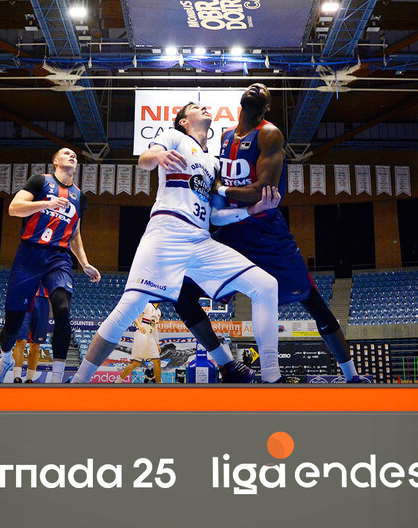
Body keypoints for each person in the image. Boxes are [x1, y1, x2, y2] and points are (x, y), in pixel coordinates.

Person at [71, 102, 279, 384]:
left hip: (200, 240)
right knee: (130, 306)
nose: (203, 107)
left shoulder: (214, 162)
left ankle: (271, 378)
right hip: (166, 232)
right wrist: (158, 155)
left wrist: (251, 210)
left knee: (266, 285)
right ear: (183, 121)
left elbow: (216, 215)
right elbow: (145, 160)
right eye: (194, 106)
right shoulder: (174, 137)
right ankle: (79, 381)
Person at [174, 83, 362, 382]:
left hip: (266, 233)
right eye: (252, 84)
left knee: (312, 301)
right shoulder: (224, 137)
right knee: (181, 294)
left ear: (267, 107)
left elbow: (262, 192)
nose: (256, 86)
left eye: (263, 87)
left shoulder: (270, 134)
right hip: (231, 232)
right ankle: (228, 366)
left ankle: (352, 376)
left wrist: (220, 190)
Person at [0, 148, 101, 384]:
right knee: (13, 323)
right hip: (29, 254)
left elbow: (75, 233)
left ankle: (57, 379)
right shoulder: (40, 181)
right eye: (66, 153)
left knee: (62, 310)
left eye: (75, 155)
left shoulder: (79, 197)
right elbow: (14, 208)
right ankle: (5, 360)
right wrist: (46, 204)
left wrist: (84, 262)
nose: (72, 156)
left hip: (58, 257)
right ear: (55, 161)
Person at [12, 286, 51, 383]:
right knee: (21, 341)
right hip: (25, 297)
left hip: (43, 301)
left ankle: (29, 379)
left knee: (35, 345)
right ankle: (17, 377)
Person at [116, 301, 163, 384]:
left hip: (150, 336)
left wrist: (157, 344)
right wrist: (139, 326)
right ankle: (117, 382)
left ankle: (159, 385)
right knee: (135, 363)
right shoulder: (147, 305)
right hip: (142, 335)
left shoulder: (158, 312)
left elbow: (155, 329)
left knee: (157, 361)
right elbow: (134, 316)